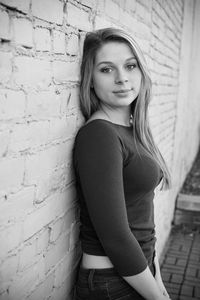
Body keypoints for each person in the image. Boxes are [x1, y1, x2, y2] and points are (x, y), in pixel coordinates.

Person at [73, 27, 171, 300]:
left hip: (139, 272)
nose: (122, 78)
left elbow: (142, 216)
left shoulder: (132, 129)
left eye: (130, 66)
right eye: (106, 69)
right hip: (111, 284)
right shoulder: (99, 135)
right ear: (89, 80)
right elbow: (116, 236)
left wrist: (156, 273)